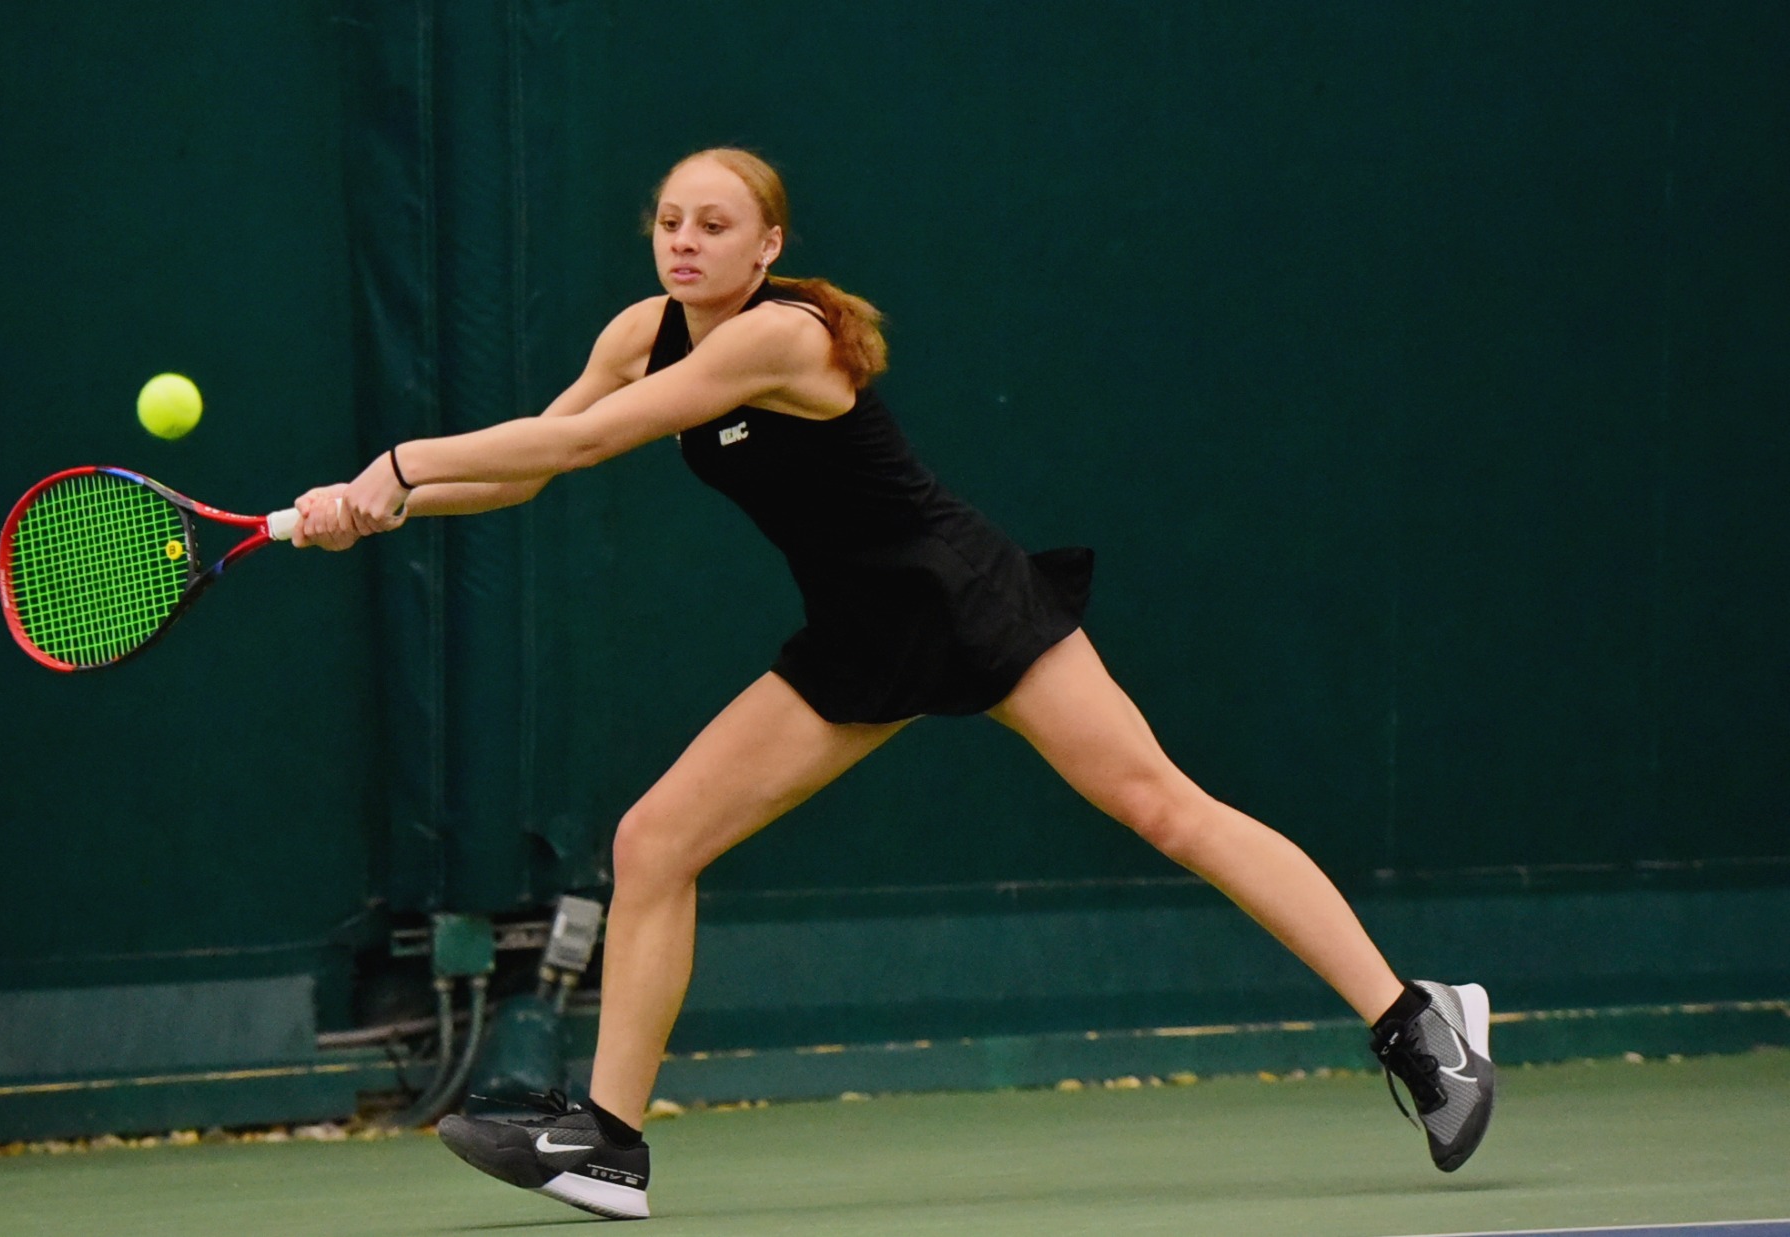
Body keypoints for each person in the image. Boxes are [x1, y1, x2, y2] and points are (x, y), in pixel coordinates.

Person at [292, 148, 1495, 1221]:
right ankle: (607, 1145)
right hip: (857, 633)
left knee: (1160, 806)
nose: (684, 242)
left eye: (715, 224)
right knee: (654, 840)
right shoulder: (636, 333)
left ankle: (1414, 1021)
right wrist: (372, 509)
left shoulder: (782, 333)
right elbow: (522, 471)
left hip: (963, 596)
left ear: (766, 246)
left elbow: (577, 446)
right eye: (669, 221)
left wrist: (396, 463)